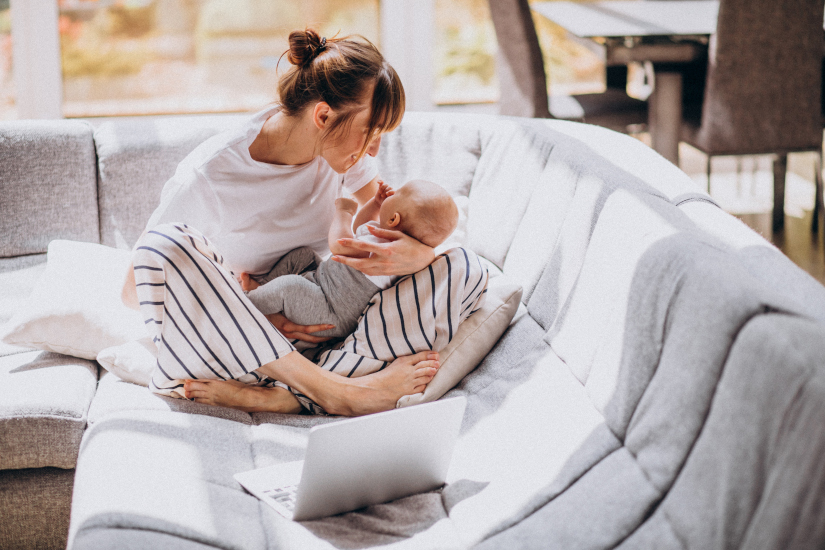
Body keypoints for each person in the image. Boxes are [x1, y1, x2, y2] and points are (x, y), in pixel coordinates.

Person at [122, 29, 441, 417]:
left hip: (314, 320)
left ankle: (287, 394)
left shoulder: (343, 155)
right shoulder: (211, 176)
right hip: (229, 332)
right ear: (323, 115)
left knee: (462, 265)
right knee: (167, 243)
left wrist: (417, 253)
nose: (374, 149)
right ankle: (337, 391)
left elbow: (397, 220)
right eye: (370, 132)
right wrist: (252, 317)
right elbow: (134, 290)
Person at [241, 179, 459, 345]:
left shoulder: (386, 252)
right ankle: (266, 289)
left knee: (289, 286)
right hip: (323, 282)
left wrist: (344, 212)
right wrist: (375, 203)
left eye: (399, 193)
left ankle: (246, 304)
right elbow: (359, 229)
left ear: (394, 219)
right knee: (303, 255)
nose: (394, 190)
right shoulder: (381, 238)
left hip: (329, 309)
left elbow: (340, 244)